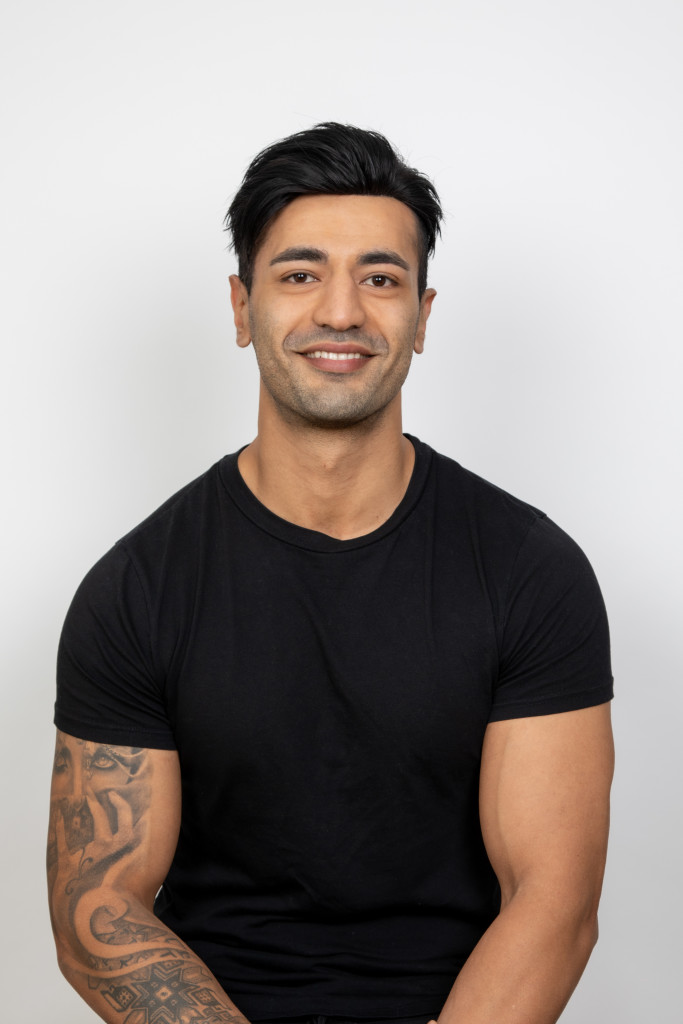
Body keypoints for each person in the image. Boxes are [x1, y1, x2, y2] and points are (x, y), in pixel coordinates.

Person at [48, 123, 614, 1024]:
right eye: (299, 275)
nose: (341, 313)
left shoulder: (530, 573)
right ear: (242, 307)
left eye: (380, 279)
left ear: (422, 316)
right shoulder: (135, 589)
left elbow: (554, 902)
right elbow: (98, 909)